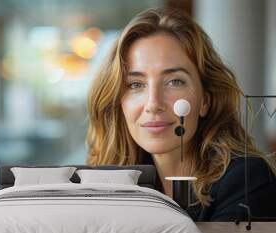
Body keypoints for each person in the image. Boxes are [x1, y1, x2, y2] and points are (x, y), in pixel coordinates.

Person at [86, 8, 276, 221]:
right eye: (136, 84)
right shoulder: (116, 184)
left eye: (175, 82)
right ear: (119, 102)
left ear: (205, 99)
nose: (153, 103)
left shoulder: (248, 180)